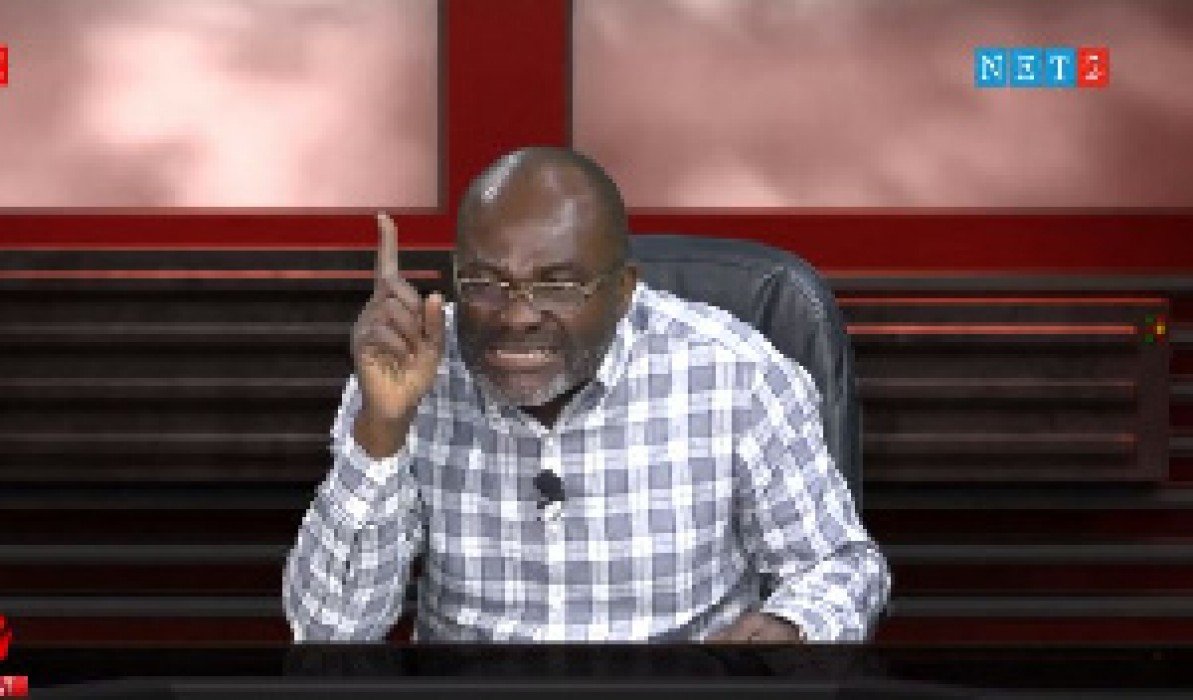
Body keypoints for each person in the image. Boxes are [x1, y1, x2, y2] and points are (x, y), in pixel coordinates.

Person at [283, 147, 890, 643]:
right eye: (486, 282)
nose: (517, 316)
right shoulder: (408, 373)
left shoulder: (737, 376)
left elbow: (838, 566)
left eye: (558, 286)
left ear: (624, 291)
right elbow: (329, 632)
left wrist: (793, 627)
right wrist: (382, 432)